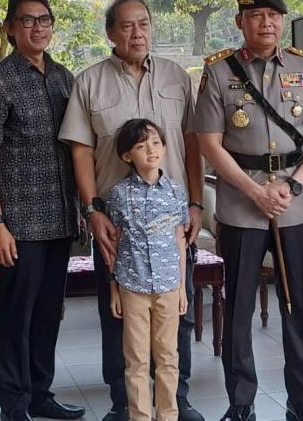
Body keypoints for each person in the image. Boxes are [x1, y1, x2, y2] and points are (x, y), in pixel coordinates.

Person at [59, 0, 205, 421]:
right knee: (118, 313)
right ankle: (124, 404)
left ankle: (177, 401)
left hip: (172, 221)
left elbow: (192, 144)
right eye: (126, 26)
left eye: (143, 23)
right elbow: (81, 151)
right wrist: (92, 210)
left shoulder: (177, 77)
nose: (137, 33)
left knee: (178, 311)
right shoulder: (89, 82)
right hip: (116, 222)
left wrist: (196, 203)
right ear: (110, 33)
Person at [193, 0, 303, 421]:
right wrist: (254, 191)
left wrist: (294, 186)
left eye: (273, 15)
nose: (266, 23)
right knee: (239, 306)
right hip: (241, 204)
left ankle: (301, 400)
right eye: (255, 16)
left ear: (282, 21)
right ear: (240, 22)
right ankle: (241, 402)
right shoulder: (219, 72)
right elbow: (209, 144)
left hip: (293, 204)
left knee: (296, 304)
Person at [0, 0, 84, 421]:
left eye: (44, 20)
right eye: (27, 20)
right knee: (17, 315)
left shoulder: (64, 78)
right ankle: (14, 404)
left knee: (48, 314)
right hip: (19, 222)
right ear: (9, 28)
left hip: (60, 217)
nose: (37, 28)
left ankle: (41, 393)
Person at [107, 119, 190, 421]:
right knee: (136, 360)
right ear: (127, 156)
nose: (151, 150)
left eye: (155, 143)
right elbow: (114, 243)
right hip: (133, 286)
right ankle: (140, 416)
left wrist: (182, 287)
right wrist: (114, 288)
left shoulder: (176, 192)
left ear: (164, 147)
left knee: (168, 357)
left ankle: (168, 415)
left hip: (169, 285)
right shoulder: (119, 194)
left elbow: (180, 240)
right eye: (141, 146)